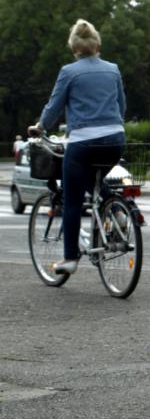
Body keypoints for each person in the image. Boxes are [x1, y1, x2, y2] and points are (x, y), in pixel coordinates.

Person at [30, 19, 126, 275]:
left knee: (72, 200)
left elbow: (54, 107)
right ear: (97, 45)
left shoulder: (69, 72)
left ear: (75, 48)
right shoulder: (113, 69)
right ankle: (116, 210)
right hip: (115, 140)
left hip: (83, 143)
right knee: (91, 181)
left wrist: (40, 126)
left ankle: (70, 258)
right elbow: (122, 105)